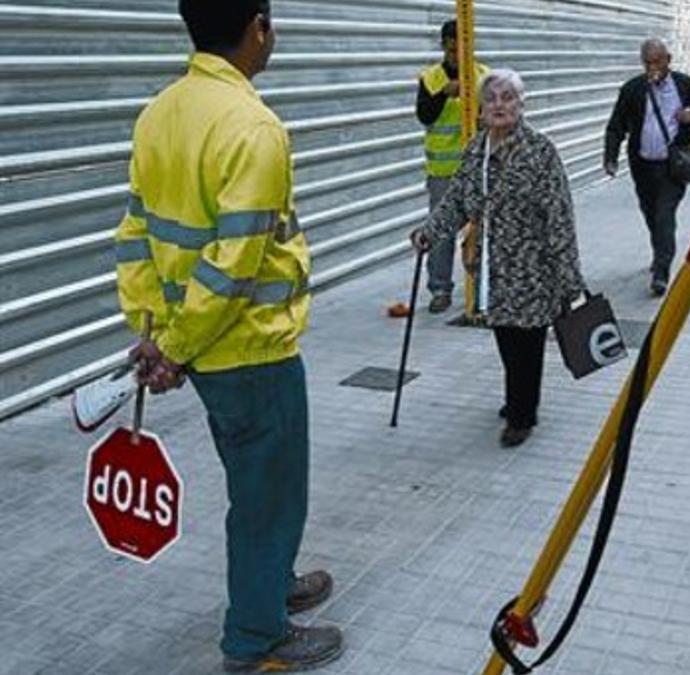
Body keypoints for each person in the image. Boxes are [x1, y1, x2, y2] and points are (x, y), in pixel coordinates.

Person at [113, 1, 342, 671]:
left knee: (261, 483)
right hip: (251, 351)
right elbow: (233, 263)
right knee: (267, 494)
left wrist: (155, 330)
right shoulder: (253, 126)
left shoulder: (161, 111)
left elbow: (135, 234)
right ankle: (255, 635)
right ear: (259, 27)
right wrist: (175, 345)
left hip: (205, 349)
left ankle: (271, 584)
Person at [410, 69, 586, 448]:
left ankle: (522, 413)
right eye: (491, 99)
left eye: (507, 98)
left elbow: (560, 216)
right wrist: (430, 232)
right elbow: (457, 200)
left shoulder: (540, 151)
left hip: (533, 266)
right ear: (480, 109)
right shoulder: (476, 149)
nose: (499, 105)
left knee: (528, 339)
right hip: (493, 266)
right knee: (506, 334)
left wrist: (569, 275)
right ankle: (518, 396)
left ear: (522, 105)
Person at [387, 19, 489, 317]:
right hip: (443, 171)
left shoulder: (483, 75)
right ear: (443, 45)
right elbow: (425, 116)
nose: (457, 52)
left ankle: (483, 287)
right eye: (451, 46)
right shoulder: (431, 78)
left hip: (479, 167)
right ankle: (440, 289)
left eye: (462, 46)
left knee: (482, 229)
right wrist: (444, 92)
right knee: (443, 231)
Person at [603, 39, 690, 297]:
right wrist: (610, 157)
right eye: (647, 63)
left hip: (672, 166)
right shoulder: (633, 89)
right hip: (642, 165)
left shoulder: (686, 85)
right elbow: (616, 125)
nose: (652, 68)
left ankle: (661, 273)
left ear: (668, 60)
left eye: (657, 61)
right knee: (651, 213)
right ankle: (659, 252)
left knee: (664, 215)